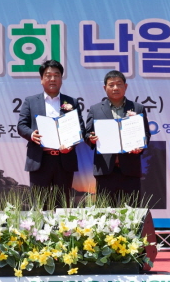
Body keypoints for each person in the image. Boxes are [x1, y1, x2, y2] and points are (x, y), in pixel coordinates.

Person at [17, 60, 85, 204]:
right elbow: (21, 126)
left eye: (56, 75)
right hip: (40, 160)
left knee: (62, 204)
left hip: (64, 160)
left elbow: (80, 128)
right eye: (48, 75)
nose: (52, 79)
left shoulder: (72, 102)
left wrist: (71, 144)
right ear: (41, 79)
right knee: (39, 204)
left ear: (61, 79)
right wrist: (31, 134)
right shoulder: (30, 101)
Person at [85, 70, 151, 205]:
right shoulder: (95, 109)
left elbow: (146, 133)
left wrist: (140, 146)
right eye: (111, 85)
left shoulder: (137, 108)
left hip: (130, 169)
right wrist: (91, 138)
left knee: (132, 211)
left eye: (119, 84)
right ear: (105, 88)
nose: (115, 88)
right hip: (105, 170)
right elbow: (87, 133)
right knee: (105, 212)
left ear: (125, 87)